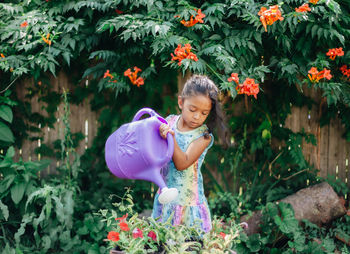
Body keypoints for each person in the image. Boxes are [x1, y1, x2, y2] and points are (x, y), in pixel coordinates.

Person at [151, 74, 230, 233]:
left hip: (186, 202)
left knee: (187, 245)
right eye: (192, 109)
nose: (196, 116)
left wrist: (171, 139)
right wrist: (158, 134)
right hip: (165, 196)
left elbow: (182, 163)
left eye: (204, 113)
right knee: (162, 243)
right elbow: (156, 150)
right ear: (181, 102)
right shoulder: (170, 122)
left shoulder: (203, 136)